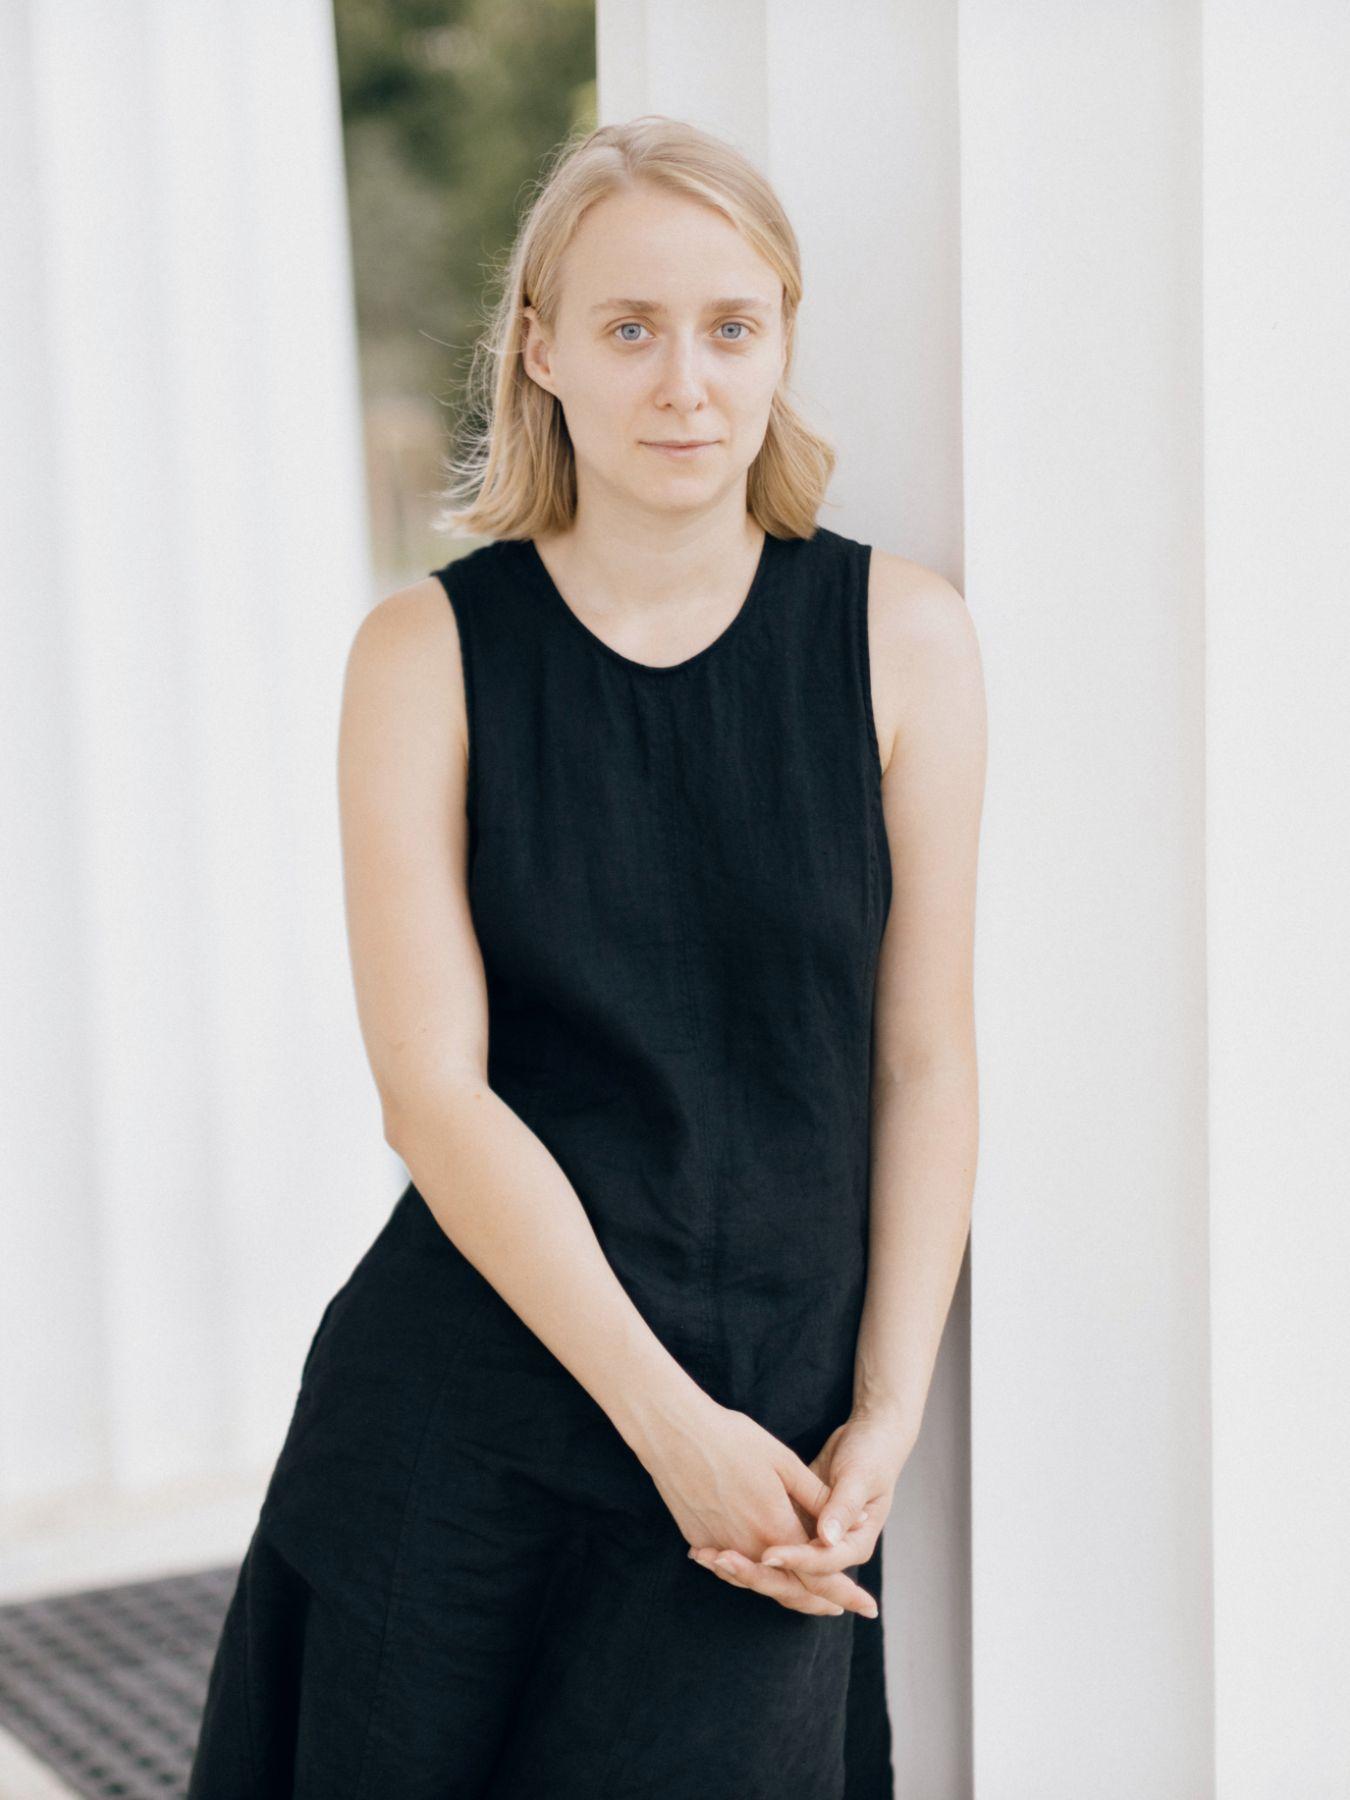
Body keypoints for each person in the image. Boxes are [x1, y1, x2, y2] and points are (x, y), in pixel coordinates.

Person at [186, 114, 985, 1799]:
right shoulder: (425, 653)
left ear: (778, 340)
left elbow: (920, 1057)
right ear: (540, 352)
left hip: (774, 1430)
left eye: (728, 327)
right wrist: (667, 1427)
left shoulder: (903, 640)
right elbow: (433, 1095)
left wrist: (888, 1412)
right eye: (627, 329)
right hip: (468, 1418)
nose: (682, 381)